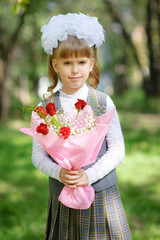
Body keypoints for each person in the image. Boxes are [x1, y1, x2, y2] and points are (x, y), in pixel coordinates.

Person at [31, 13, 132, 239]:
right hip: (63, 197)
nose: (75, 70)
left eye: (81, 62)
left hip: (101, 196)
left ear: (91, 63)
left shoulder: (103, 102)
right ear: (55, 65)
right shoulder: (44, 108)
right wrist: (59, 172)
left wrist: (90, 175)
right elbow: (38, 156)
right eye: (67, 63)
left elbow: (117, 149)